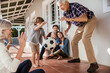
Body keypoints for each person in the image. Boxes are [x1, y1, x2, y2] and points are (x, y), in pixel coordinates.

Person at [57, 0, 99, 72]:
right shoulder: (65, 13)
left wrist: (70, 19)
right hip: (81, 26)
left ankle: (93, 63)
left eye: (61, 6)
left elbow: (84, 18)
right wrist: (67, 28)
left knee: (85, 38)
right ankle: (76, 58)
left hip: (90, 21)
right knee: (74, 41)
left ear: (66, 3)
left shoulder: (75, 6)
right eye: (59, 7)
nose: (60, 8)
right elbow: (68, 22)